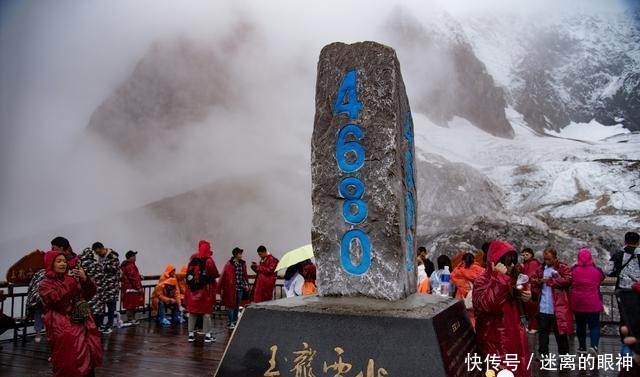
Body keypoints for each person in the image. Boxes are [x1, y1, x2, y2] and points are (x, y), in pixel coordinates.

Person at [39, 250, 103, 377]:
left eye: (64, 261)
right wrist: (71, 280)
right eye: (58, 261)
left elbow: (88, 295)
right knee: (70, 361)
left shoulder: (70, 279)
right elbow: (57, 299)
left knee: (87, 357)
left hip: (82, 323)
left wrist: (85, 279)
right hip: (63, 326)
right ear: (51, 264)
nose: (63, 264)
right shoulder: (46, 284)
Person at [473, 240, 532, 377]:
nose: (511, 265)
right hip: (496, 344)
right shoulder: (483, 280)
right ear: (495, 261)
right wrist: (499, 279)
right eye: (507, 261)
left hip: (514, 339)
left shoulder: (512, 279)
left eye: (513, 261)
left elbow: (524, 312)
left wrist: (527, 299)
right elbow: (489, 305)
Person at [532, 247, 574, 357]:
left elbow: (568, 280)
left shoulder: (562, 268)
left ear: (555, 258)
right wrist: (537, 282)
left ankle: (564, 356)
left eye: (549, 259)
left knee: (560, 334)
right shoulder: (540, 269)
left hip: (558, 308)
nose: (547, 261)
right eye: (545, 259)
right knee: (543, 334)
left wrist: (551, 281)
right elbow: (533, 279)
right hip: (543, 307)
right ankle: (543, 355)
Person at [79, 242, 120, 334]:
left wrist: (101, 265)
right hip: (101, 287)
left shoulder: (113, 257)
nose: (98, 254)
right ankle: (100, 324)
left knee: (111, 307)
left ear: (102, 248)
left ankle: (110, 325)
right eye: (96, 253)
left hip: (111, 287)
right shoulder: (96, 258)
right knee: (100, 307)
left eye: (99, 252)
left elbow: (114, 268)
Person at [570, 248, 605, 354]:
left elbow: (569, 280)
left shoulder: (574, 270)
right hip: (593, 302)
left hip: (578, 302)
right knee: (594, 325)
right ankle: (594, 346)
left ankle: (582, 347)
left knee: (580, 325)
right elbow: (601, 277)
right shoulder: (596, 270)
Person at [184, 239, 219, 343]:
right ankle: (207, 335)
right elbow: (215, 273)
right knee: (206, 313)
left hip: (193, 291)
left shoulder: (192, 258)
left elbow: (188, 273)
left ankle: (190, 335)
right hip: (205, 291)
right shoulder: (209, 260)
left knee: (193, 312)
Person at [218, 247, 249, 329]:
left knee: (237, 305)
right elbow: (224, 276)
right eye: (239, 254)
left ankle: (235, 321)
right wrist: (220, 288)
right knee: (231, 305)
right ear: (235, 255)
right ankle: (230, 322)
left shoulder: (242, 264)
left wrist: (246, 284)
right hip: (231, 288)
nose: (241, 255)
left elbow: (244, 276)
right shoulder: (229, 264)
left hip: (240, 287)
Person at [451, 252, 484, 327]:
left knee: (464, 322)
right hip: (477, 300)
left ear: (463, 261)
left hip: (462, 299)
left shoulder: (459, 271)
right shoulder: (479, 270)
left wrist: (460, 265)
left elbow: (452, 275)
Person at [520, 247, 541, 334]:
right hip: (527, 288)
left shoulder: (533, 263)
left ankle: (534, 326)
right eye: (523, 255)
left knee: (533, 308)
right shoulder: (526, 264)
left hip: (532, 288)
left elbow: (531, 276)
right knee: (529, 309)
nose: (525, 256)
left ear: (531, 254)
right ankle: (531, 325)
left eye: (526, 254)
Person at [120, 250, 143, 325]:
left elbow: (134, 276)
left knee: (131, 304)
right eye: (134, 256)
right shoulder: (130, 266)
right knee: (131, 305)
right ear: (130, 257)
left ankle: (131, 319)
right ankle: (131, 319)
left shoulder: (128, 265)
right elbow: (133, 277)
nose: (135, 257)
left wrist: (139, 276)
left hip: (128, 288)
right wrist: (138, 287)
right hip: (131, 288)